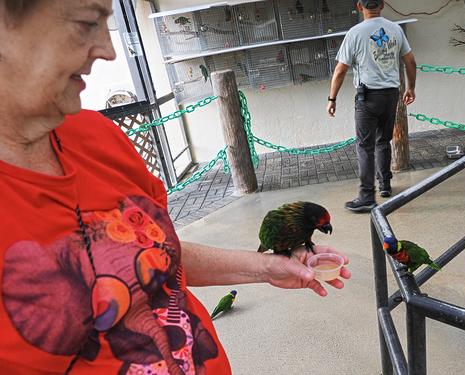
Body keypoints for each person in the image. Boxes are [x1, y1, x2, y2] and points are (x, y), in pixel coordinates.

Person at [0, 1, 351, 374]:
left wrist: (267, 266)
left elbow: (155, 252)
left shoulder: (98, 136)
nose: (109, 49)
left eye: (108, 23)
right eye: (86, 22)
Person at [326, 0, 417, 213]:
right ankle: (385, 185)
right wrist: (411, 88)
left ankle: (367, 196)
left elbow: (340, 70)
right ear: (382, 5)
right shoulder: (395, 29)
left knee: (365, 146)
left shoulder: (355, 33)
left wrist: (332, 98)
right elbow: (410, 62)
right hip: (391, 94)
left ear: (360, 6)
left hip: (367, 98)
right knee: (383, 141)